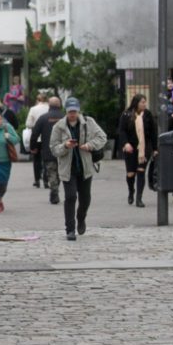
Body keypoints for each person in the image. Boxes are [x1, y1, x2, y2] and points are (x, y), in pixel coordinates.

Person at [50, 97, 107, 241]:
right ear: (66, 111)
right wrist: (65, 146)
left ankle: (81, 218)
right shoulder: (58, 126)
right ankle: (70, 229)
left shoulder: (88, 122)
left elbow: (102, 137)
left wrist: (90, 145)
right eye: (70, 111)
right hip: (68, 169)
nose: (72, 114)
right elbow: (53, 149)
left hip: (85, 167)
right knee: (70, 197)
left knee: (85, 199)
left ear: (79, 110)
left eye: (75, 111)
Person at [118, 94, 158, 208]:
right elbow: (122, 131)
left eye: (145, 102)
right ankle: (131, 191)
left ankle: (139, 199)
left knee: (141, 171)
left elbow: (153, 133)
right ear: (136, 103)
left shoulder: (148, 115)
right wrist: (126, 144)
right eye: (142, 102)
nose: (144, 104)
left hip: (144, 148)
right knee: (131, 173)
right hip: (130, 147)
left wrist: (155, 149)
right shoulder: (126, 114)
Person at [30, 96, 65, 205]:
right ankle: (55, 188)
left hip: (48, 150)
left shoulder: (43, 118)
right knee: (60, 172)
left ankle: (54, 190)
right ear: (60, 105)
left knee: (51, 172)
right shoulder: (65, 117)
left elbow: (35, 133)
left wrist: (33, 147)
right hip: (64, 150)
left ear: (49, 105)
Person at [25, 94, 50, 188]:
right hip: (48, 137)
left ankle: (37, 180)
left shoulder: (33, 109)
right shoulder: (49, 108)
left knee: (36, 159)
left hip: (36, 137)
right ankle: (46, 180)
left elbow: (28, 124)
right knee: (47, 159)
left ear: (37, 99)